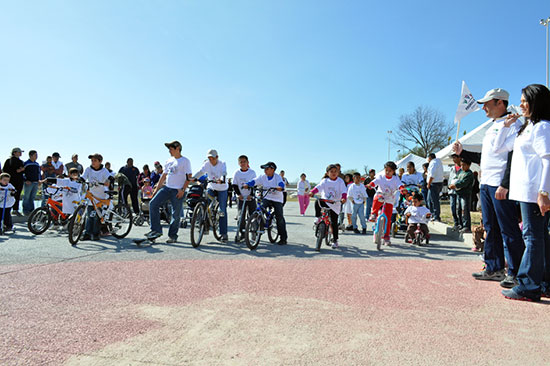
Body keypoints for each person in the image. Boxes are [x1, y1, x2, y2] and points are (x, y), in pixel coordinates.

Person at [454, 88, 525, 288]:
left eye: (487, 103)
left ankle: (516, 272)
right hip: (486, 183)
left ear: (500, 103)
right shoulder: (493, 126)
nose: (483, 107)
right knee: (490, 226)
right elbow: (486, 158)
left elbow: (513, 157)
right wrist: (464, 152)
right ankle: (493, 267)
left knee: (508, 227)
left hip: (500, 184)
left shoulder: (513, 124)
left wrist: (505, 183)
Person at [499, 84, 550, 301]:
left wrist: (544, 191)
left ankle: (528, 285)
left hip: (534, 191)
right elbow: (501, 148)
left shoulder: (542, 127)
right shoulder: (528, 127)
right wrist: (506, 126)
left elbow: (548, 159)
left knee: (533, 237)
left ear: (536, 102)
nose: (520, 104)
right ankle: (543, 282)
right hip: (525, 192)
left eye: (524, 100)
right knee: (539, 237)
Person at [146, 141, 192, 243]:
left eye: (171, 149)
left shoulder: (185, 161)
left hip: (178, 190)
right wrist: (156, 190)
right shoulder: (169, 161)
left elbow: (189, 177)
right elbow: (163, 176)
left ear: (177, 148)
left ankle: (173, 235)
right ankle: (155, 230)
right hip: (167, 188)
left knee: (175, 214)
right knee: (153, 203)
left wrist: (183, 190)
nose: (169, 151)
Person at [244, 161, 288, 245]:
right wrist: (247, 184)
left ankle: (283, 238)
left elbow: (281, 184)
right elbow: (254, 181)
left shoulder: (277, 177)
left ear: (273, 169)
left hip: (277, 199)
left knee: (279, 217)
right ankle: (259, 225)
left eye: (267, 169)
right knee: (259, 209)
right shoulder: (263, 177)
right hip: (267, 197)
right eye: (264, 169)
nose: (265, 170)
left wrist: (279, 187)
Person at [193, 149, 229, 243]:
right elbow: (201, 172)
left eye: (212, 158)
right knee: (205, 204)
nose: (210, 160)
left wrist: (222, 179)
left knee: (222, 210)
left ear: (217, 157)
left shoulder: (222, 163)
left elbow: (224, 173)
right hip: (211, 187)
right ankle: (205, 225)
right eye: (209, 158)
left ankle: (223, 233)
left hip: (222, 188)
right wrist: (193, 178)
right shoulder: (207, 164)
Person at [309, 164, 347, 248]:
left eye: (335, 171)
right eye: (331, 172)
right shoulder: (325, 181)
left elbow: (344, 190)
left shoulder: (340, 181)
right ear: (327, 173)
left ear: (338, 172)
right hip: (325, 201)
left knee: (334, 223)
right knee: (317, 202)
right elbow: (318, 187)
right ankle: (318, 217)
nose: (333, 173)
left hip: (335, 203)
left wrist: (343, 198)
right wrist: (312, 192)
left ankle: (335, 240)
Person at [368, 161, 405, 245]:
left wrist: (402, 189)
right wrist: (370, 185)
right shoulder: (380, 176)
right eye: (386, 170)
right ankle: (373, 214)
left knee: (388, 219)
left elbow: (400, 185)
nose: (388, 172)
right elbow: (375, 182)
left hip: (389, 197)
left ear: (393, 171)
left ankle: (386, 236)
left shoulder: (395, 179)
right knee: (377, 198)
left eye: (390, 171)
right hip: (380, 195)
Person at [81, 154, 111, 241]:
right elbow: (83, 177)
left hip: (100, 196)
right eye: (92, 161)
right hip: (91, 195)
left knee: (97, 216)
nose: (93, 162)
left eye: (95, 160)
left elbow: (110, 178)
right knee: (89, 215)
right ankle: (87, 233)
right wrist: (80, 180)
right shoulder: (88, 169)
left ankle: (96, 234)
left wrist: (108, 182)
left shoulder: (104, 170)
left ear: (100, 161)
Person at [232, 155, 256, 242]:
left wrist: (251, 195)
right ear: (239, 163)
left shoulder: (252, 172)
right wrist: (238, 194)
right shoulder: (236, 173)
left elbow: (254, 184)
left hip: (250, 198)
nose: (243, 163)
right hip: (241, 198)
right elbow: (234, 185)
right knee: (240, 216)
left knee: (253, 216)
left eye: (244, 162)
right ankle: (242, 233)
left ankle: (254, 232)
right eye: (241, 162)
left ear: (247, 162)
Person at [449, 158, 474, 233]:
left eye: (464, 165)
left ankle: (466, 226)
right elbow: (456, 178)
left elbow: (463, 183)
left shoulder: (469, 174)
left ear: (469, 165)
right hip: (458, 193)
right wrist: (452, 183)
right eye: (461, 165)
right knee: (458, 210)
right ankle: (460, 224)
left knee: (464, 210)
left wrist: (455, 185)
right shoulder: (460, 171)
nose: (462, 167)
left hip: (465, 194)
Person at [3, 148, 25, 216]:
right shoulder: (9, 161)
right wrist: (16, 171)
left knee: (17, 195)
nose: (20, 153)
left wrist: (22, 170)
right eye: (19, 152)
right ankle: (7, 210)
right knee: (9, 195)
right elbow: (5, 171)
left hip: (19, 181)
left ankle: (15, 210)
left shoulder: (21, 161)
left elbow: (23, 171)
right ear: (14, 152)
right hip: (11, 181)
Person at [426, 153, 444, 221]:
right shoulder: (439, 162)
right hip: (439, 182)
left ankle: (435, 215)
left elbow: (432, 174)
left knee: (433, 200)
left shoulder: (433, 163)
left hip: (434, 183)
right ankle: (434, 214)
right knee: (431, 200)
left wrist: (429, 183)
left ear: (430, 158)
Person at [22, 150, 41, 215]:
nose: (36, 156)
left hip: (35, 182)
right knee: (26, 197)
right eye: (35, 155)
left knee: (32, 197)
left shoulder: (37, 164)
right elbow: (22, 173)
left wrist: (39, 180)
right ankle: (25, 211)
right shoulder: (26, 163)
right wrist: (25, 180)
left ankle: (32, 211)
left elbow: (39, 173)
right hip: (28, 183)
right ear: (31, 155)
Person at [447, 154, 463, 231]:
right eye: (452, 158)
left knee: (459, 208)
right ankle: (455, 222)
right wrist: (449, 186)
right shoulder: (452, 168)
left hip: (459, 190)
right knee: (453, 207)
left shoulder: (463, 168)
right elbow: (450, 178)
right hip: (451, 191)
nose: (453, 159)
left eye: (454, 157)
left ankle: (460, 223)